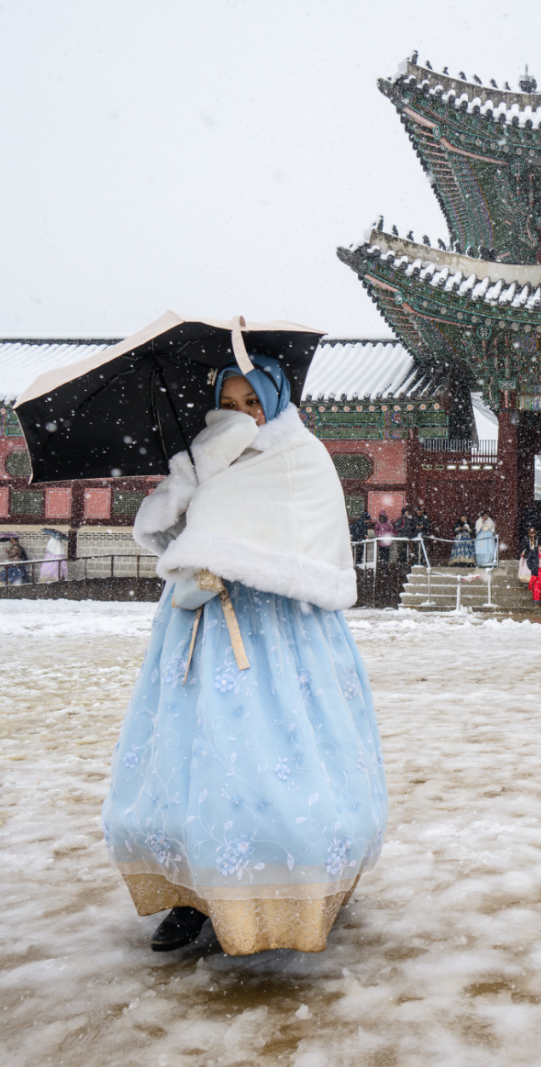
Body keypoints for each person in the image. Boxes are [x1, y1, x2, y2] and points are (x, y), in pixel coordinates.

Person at [109, 352, 385, 955]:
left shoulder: (300, 458)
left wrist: (226, 555)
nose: (239, 415)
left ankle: (300, 884)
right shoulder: (205, 460)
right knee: (188, 753)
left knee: (278, 753)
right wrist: (188, 483)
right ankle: (191, 894)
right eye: (228, 405)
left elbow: (302, 545)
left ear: (276, 401)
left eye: (252, 402)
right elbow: (165, 535)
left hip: (283, 635)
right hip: (201, 628)